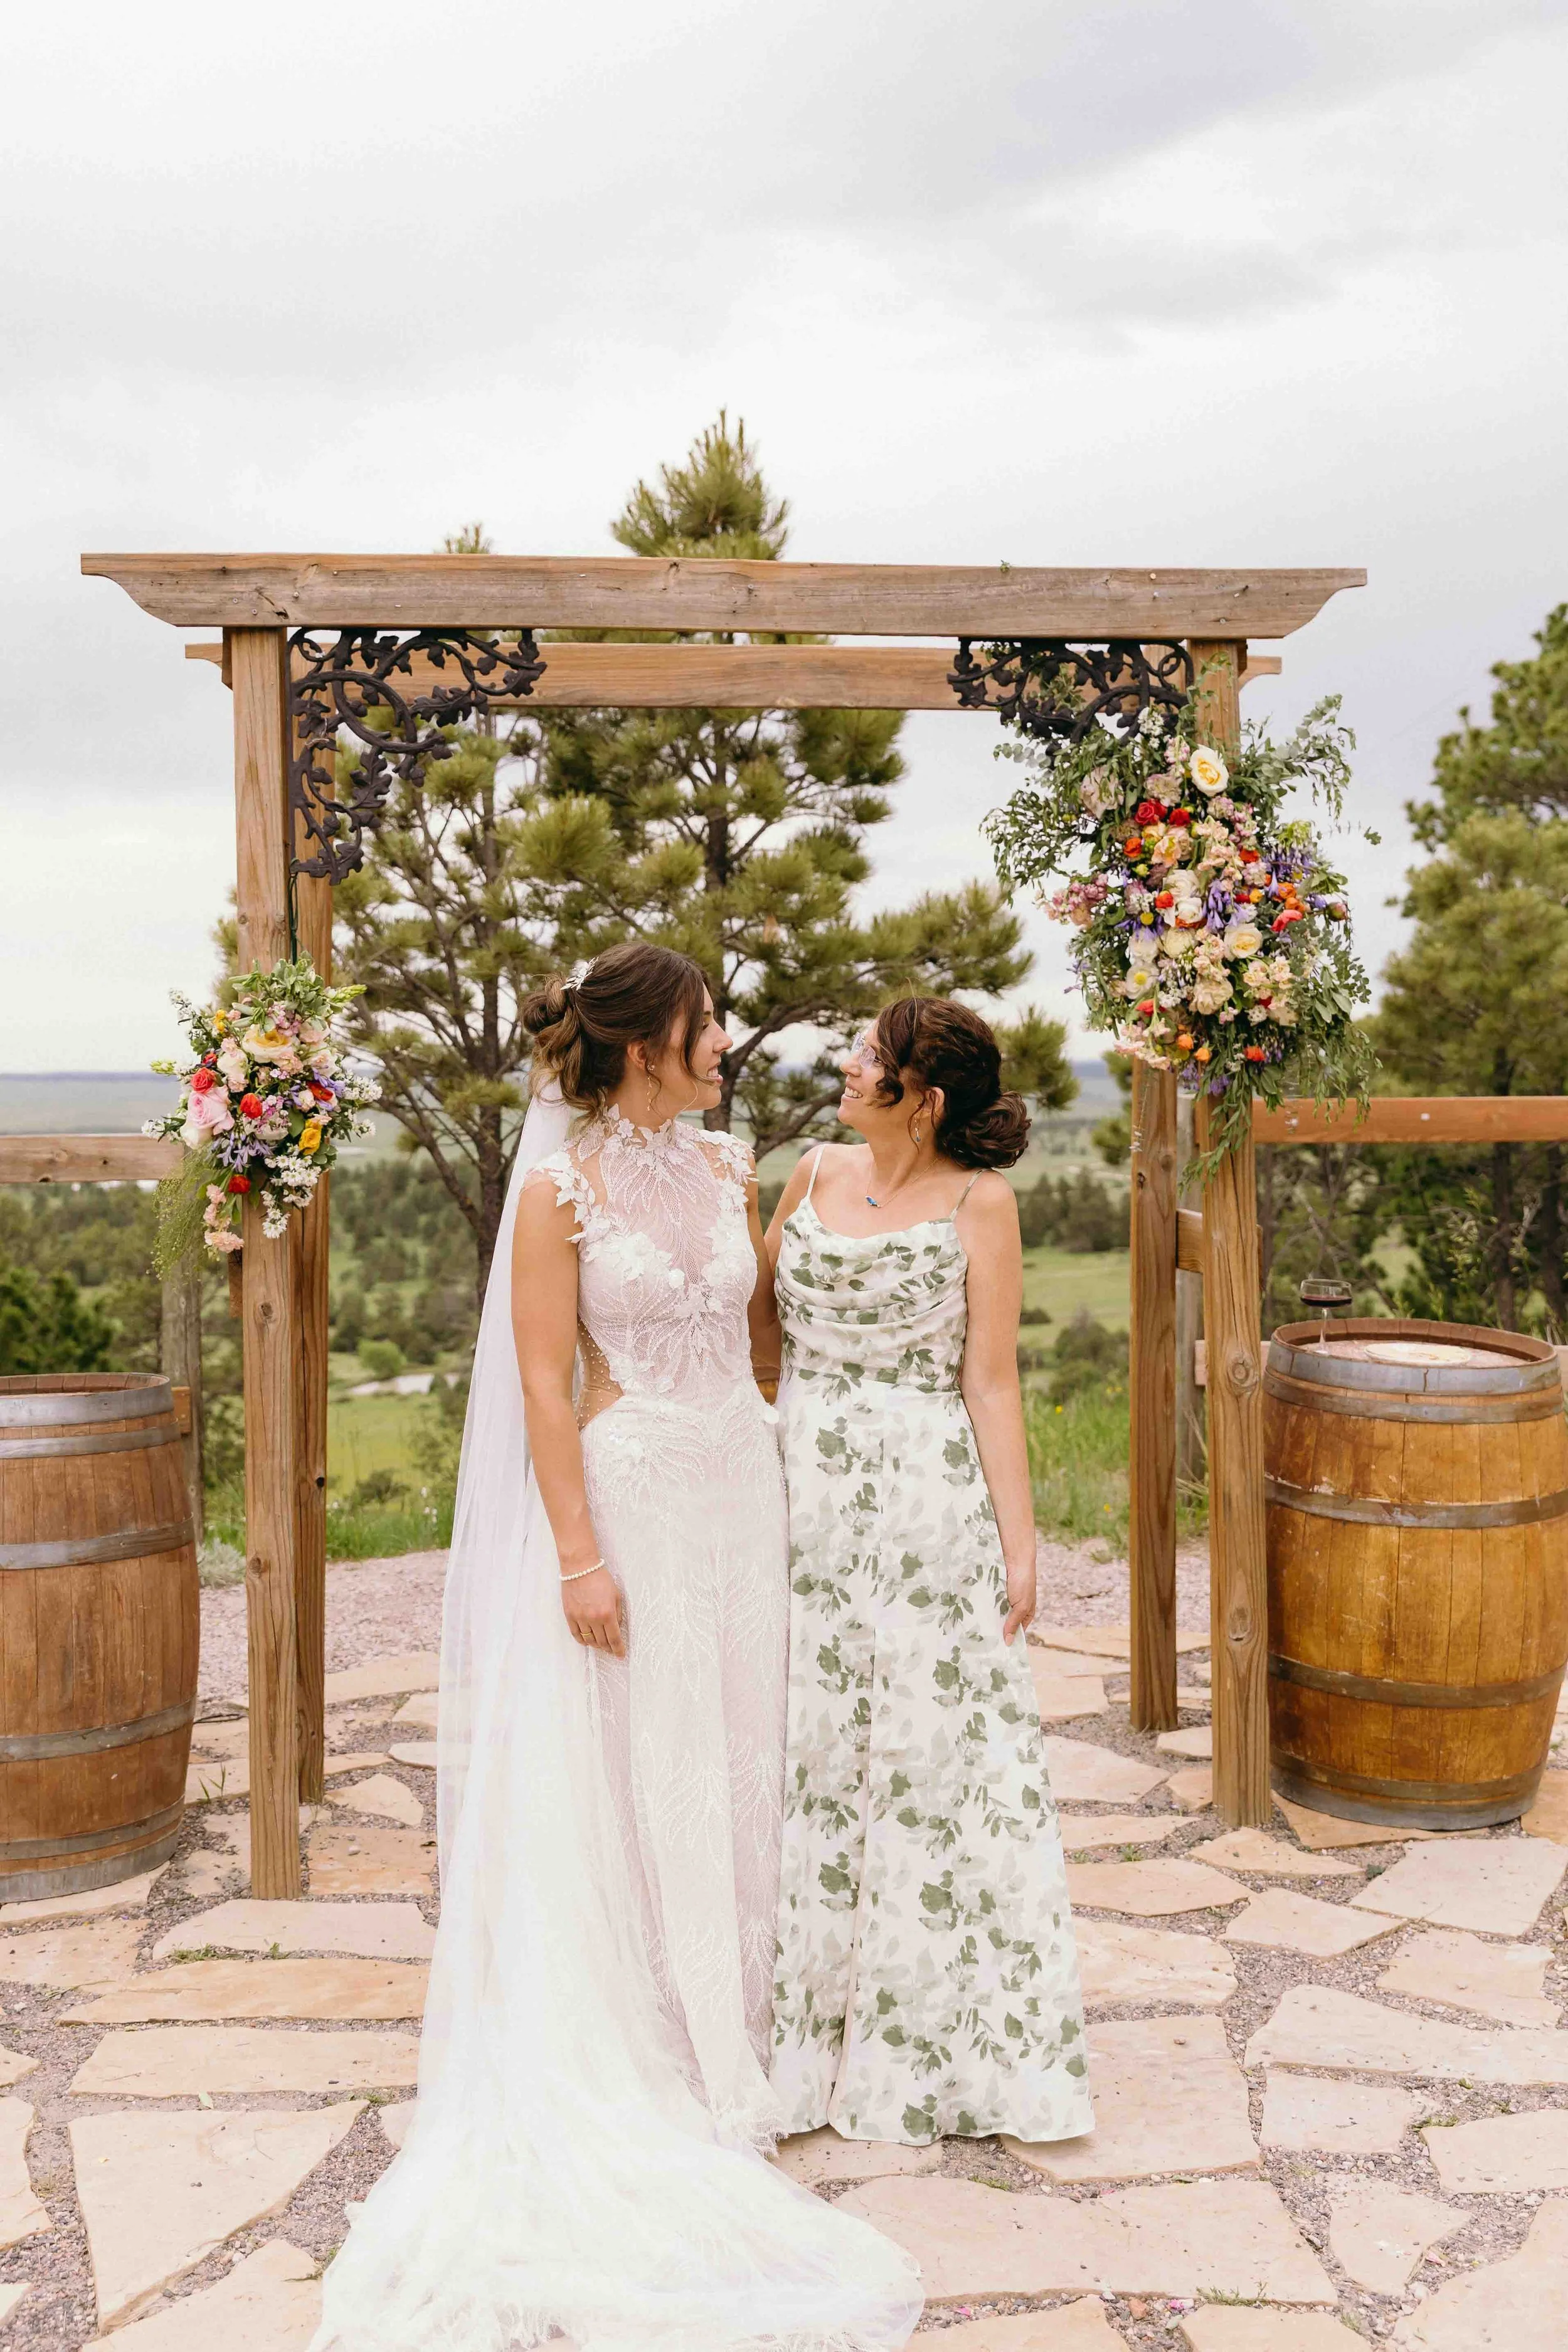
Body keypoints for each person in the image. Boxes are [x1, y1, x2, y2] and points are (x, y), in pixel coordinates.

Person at [312, 943, 919, 2352]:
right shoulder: (555, 1185)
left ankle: (756, 2032)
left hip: (738, 1488)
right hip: (632, 1493)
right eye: (706, 1025)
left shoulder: (724, 1165)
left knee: (740, 1745)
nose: (725, 1045)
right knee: (648, 1763)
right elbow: (540, 1381)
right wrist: (577, 1554)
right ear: (648, 1043)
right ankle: (670, 2042)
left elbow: (761, 1339)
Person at [766, 997, 1092, 2148]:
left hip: (923, 1512)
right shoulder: (806, 1173)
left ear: (924, 1097)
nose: (846, 1067)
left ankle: (926, 2035)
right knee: (801, 1749)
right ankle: (789, 2030)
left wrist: (1020, 1541)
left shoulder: (979, 1202)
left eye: (869, 1057)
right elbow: (759, 1339)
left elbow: (990, 1381)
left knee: (920, 1758)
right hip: (795, 1500)